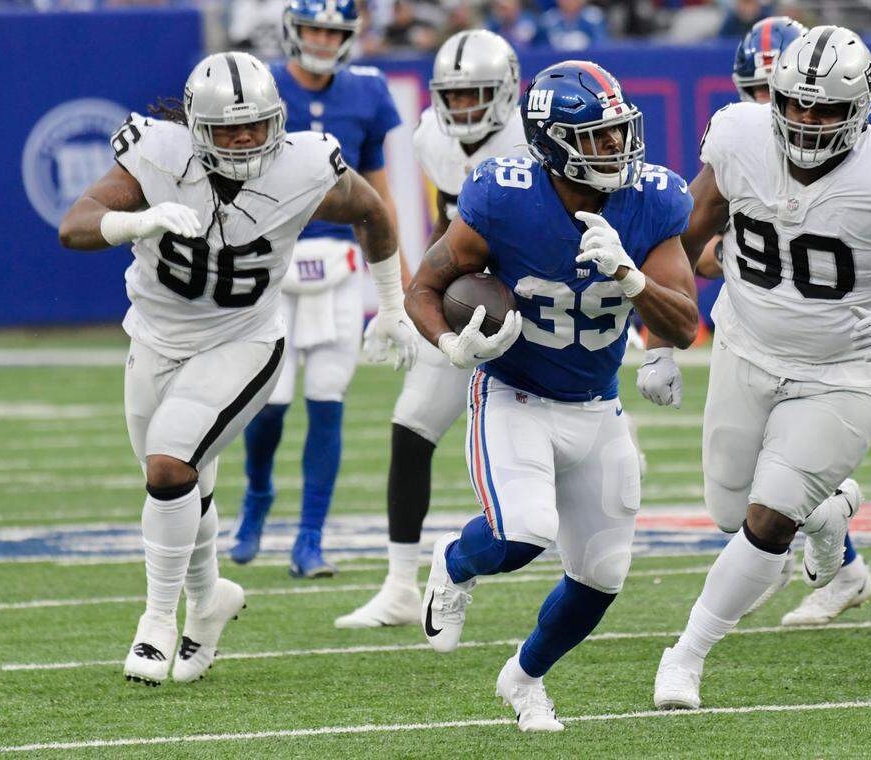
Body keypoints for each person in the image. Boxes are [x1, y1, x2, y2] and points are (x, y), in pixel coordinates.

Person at [57, 51, 407, 685]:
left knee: (168, 465)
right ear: (195, 126)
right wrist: (136, 220)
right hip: (155, 339)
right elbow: (74, 225)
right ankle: (210, 598)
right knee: (183, 485)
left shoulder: (303, 163)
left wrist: (388, 307)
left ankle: (157, 622)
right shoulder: (158, 155)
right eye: (228, 129)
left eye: (257, 124)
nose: (246, 139)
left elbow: (373, 212)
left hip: (243, 340)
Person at [650, 26, 871, 710]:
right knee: (727, 512)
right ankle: (829, 511)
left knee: (767, 521)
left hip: (845, 373)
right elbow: (677, 238)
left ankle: (687, 654)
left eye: (825, 109)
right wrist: (657, 337)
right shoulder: (738, 138)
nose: (806, 119)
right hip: (746, 347)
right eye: (794, 103)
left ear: (860, 109)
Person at [406, 61, 699, 731]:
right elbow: (424, 288)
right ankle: (453, 565)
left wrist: (629, 275)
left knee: (604, 574)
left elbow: (683, 324)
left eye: (619, 131)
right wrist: (452, 349)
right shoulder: (503, 198)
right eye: (596, 137)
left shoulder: (651, 201)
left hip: (597, 406)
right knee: (526, 530)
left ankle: (525, 679)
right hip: (516, 394)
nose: (616, 148)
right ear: (553, 144)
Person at [333, 29, 526, 628]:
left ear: (505, 91)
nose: (462, 108)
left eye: (476, 95)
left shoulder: (533, 141)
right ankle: (397, 585)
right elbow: (447, 227)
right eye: (454, 95)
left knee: (559, 450)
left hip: (532, 311)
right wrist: (409, 306)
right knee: (411, 427)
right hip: (466, 301)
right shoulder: (430, 137)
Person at [229, 0, 414, 579]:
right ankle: (257, 494)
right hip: (268, 260)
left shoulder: (367, 92)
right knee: (270, 403)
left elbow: (377, 202)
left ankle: (309, 539)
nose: (322, 39)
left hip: (337, 263)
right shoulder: (261, 85)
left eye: (332, 30)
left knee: (328, 399)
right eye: (312, 27)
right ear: (291, 29)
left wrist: (400, 288)